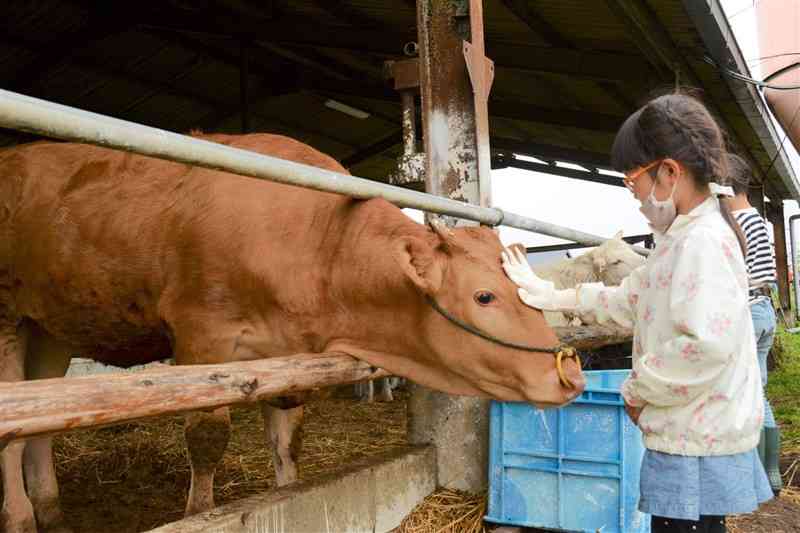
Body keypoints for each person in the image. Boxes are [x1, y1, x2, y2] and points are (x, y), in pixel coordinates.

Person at [502, 93, 772, 533]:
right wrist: (551, 295)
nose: (635, 197)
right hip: (688, 426)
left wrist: (637, 388)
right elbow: (632, 298)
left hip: (695, 435)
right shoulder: (678, 237)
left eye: (632, 182)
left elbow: (704, 344)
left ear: (669, 171)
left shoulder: (702, 240)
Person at [724, 152, 782, 495]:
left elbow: (732, 273)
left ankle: (755, 477)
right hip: (765, 311)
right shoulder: (758, 220)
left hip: (746, 313)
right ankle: (770, 474)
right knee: (758, 393)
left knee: (745, 395)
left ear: (729, 188)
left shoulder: (737, 225)